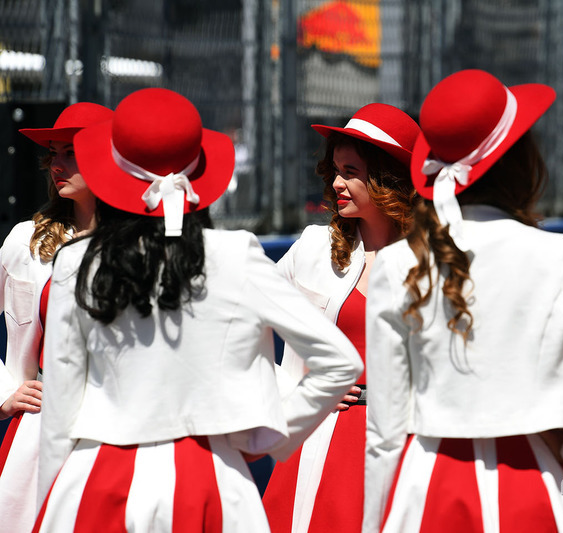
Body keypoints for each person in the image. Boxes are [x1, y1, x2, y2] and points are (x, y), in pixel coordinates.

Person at [32, 88, 363, 531]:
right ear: (198, 171)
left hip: (97, 479)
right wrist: (266, 436)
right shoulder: (235, 255)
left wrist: (50, 504)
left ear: (111, 168)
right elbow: (338, 362)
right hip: (211, 481)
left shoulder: (75, 261)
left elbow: (59, 411)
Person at [363, 69, 563, 533]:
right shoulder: (559, 254)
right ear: (520, 160)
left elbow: (383, 433)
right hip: (534, 486)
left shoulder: (398, 263)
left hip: (430, 488)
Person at [262, 103, 420, 533]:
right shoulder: (314, 247)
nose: (335, 184)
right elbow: (238, 324)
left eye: (350, 171)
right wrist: (292, 388)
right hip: (320, 441)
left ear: (387, 178)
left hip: (409, 444)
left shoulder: (437, 260)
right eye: (335, 170)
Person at [0, 101, 112, 533]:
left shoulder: (141, 245)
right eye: (53, 153)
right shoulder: (26, 239)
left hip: (114, 432)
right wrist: (6, 390)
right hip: (38, 432)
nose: (56, 165)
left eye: (71, 153)